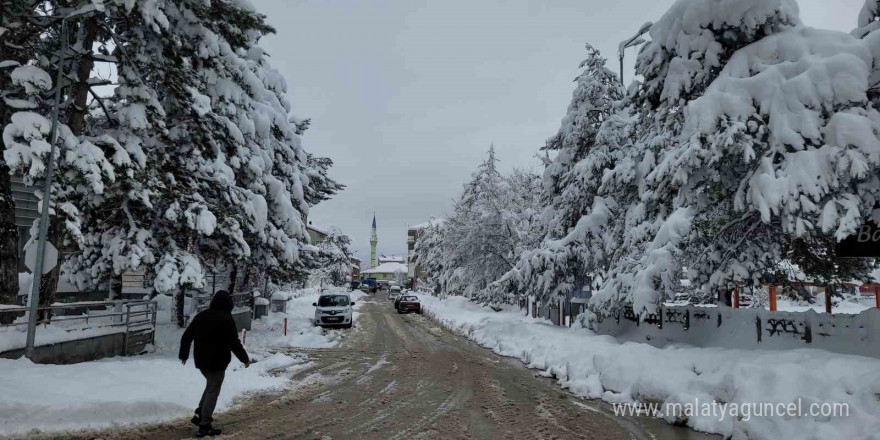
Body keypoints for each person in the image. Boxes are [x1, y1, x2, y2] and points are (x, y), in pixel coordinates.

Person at [179, 290, 250, 437]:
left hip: (201, 361)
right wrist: (245, 359)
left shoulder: (201, 316)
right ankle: (204, 424)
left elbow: (186, 336)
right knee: (213, 390)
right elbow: (234, 343)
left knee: (211, 386)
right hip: (217, 361)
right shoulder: (226, 319)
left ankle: (200, 413)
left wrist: (184, 354)